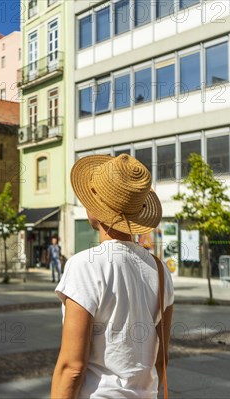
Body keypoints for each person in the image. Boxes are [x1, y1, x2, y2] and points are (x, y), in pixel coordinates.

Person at [51, 154, 174, 399]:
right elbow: (162, 358)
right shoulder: (160, 270)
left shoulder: (85, 266)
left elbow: (72, 368)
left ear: (96, 211)